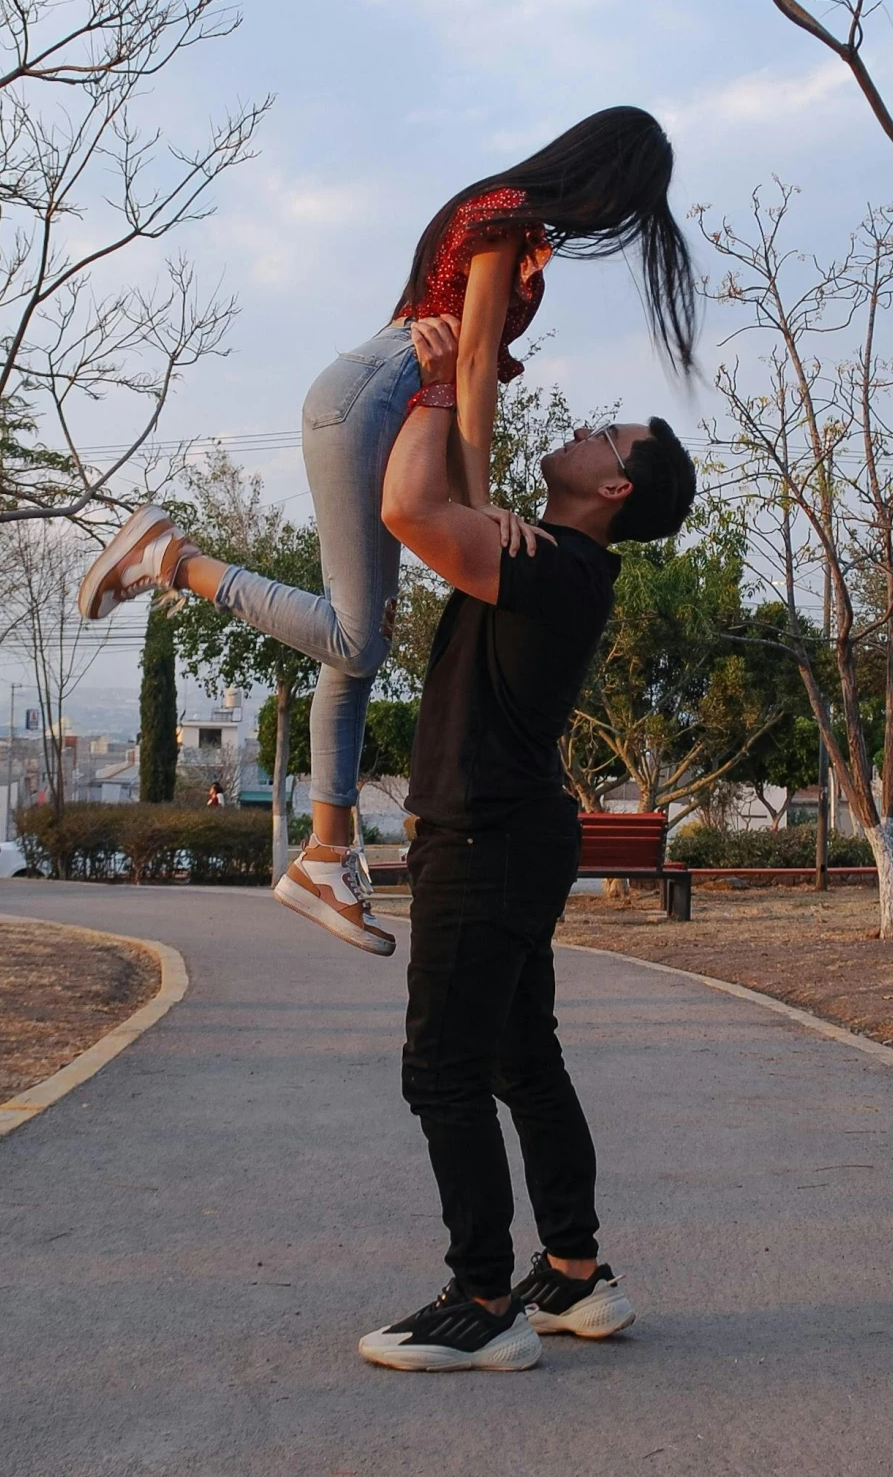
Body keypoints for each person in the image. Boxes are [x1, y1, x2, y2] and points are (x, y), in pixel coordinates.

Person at [75, 107, 696, 961]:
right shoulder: (507, 217)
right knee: (355, 636)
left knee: (356, 642)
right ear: (602, 176)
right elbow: (472, 364)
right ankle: (170, 559)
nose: (610, 219)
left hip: (384, 400)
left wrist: (473, 499)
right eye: (620, 201)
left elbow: (472, 367)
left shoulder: (513, 222)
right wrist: (478, 504)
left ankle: (328, 853)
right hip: (380, 396)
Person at [355, 310, 697, 1373]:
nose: (590, 432)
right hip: (513, 829)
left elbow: (413, 507)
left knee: (442, 1074)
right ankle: (574, 1275)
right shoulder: (553, 555)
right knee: (518, 1060)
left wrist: (429, 383)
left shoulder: (553, 566)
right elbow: (449, 494)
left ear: (616, 489)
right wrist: (464, 371)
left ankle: (484, 1300)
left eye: (609, 437)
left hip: (486, 839)